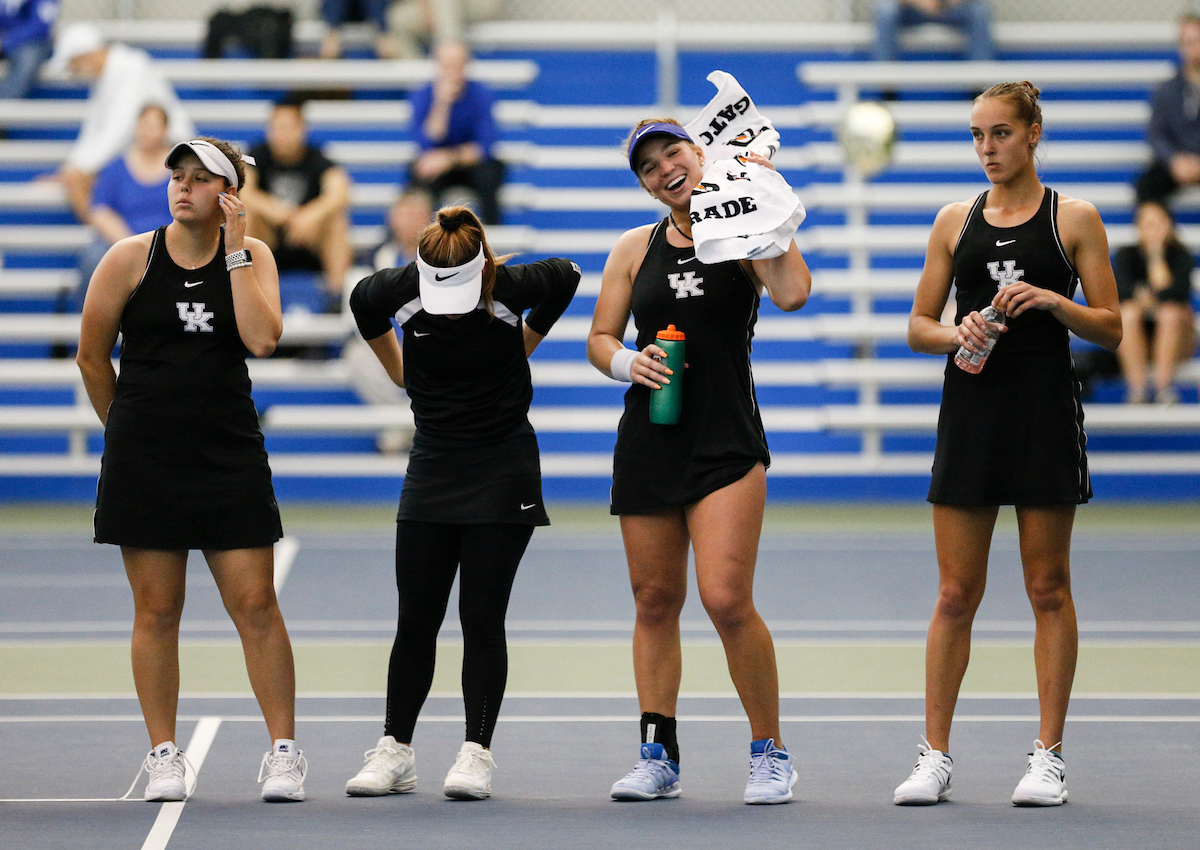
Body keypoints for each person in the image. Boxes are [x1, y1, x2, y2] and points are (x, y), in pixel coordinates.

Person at [897, 81, 1121, 807]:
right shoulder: (953, 221)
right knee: (955, 592)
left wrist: (1058, 303)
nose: (987, 149)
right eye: (977, 136)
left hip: (1044, 415)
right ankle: (933, 757)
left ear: (1032, 134)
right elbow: (918, 327)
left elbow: (1112, 325)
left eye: (1000, 133)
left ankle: (1047, 758)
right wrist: (955, 331)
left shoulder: (1074, 219)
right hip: (971, 415)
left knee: (1047, 587)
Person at [586, 119, 812, 805]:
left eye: (672, 154)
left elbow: (794, 290)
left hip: (725, 443)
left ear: (699, 154)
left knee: (724, 599)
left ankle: (769, 752)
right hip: (651, 439)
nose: (664, 170)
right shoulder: (634, 247)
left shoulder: (740, 230)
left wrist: (767, 203)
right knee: (654, 600)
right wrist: (629, 360)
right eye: (649, 167)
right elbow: (600, 336)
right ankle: (658, 754)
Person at [75, 137, 307, 803]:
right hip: (145, 458)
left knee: (256, 604)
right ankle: (164, 755)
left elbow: (262, 338)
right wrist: (124, 433)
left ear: (228, 193)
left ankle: (284, 753)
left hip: (227, 453)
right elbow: (93, 356)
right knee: (157, 609)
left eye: (200, 179)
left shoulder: (251, 255)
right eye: (177, 177)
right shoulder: (128, 258)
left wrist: (236, 246)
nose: (182, 188)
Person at [343, 205, 579, 801]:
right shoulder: (394, 289)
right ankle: (395, 750)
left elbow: (570, 275)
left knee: (481, 618)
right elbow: (361, 305)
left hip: (503, 469)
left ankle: (476, 752)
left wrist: (524, 341)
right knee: (415, 619)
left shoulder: (515, 283)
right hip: (433, 467)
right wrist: (400, 372)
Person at [46, 22, 194, 226]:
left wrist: (81, 168)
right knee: (77, 179)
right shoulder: (109, 75)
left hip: (165, 155)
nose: (74, 73)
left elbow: (120, 128)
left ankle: (108, 237)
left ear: (85, 56)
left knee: (79, 181)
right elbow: (95, 129)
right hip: (140, 153)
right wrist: (73, 168)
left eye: (73, 65)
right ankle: (109, 234)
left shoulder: (132, 67)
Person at [241, 94, 354, 305]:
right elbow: (243, 191)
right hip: (269, 236)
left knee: (336, 222)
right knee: (246, 216)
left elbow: (341, 192)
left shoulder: (316, 157)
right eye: (276, 126)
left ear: (302, 128)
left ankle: (336, 299)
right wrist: (278, 212)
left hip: (308, 237)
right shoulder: (258, 154)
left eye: (288, 127)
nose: (281, 133)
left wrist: (309, 216)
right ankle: (247, 295)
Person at [73, 104, 174, 309]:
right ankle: (92, 324)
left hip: (169, 241)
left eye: (153, 126)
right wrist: (129, 244)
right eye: (143, 125)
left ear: (165, 130)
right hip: (122, 239)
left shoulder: (178, 168)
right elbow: (100, 210)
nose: (147, 131)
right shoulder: (116, 167)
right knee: (92, 259)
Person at [407, 40, 504, 225]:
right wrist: (442, 104)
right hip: (437, 167)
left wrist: (448, 159)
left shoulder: (481, 94)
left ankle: (491, 236)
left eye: (456, 65)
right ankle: (422, 239)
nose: (451, 71)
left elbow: (484, 146)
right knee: (419, 173)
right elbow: (426, 142)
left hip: (471, 167)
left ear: (465, 65)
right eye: (446, 65)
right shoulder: (424, 95)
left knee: (489, 173)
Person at [1113, 200, 1197, 405]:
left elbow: (1178, 294)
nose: (1154, 230)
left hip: (1178, 339)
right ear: (1138, 228)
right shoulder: (1126, 255)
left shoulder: (1181, 256)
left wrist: (1156, 256)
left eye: (1159, 223)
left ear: (1170, 225)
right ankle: (1138, 391)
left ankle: (1163, 389)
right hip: (1139, 339)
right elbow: (1121, 293)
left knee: (1170, 313)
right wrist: (1154, 300)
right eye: (1148, 224)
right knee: (1129, 313)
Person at [1136, 14, 1200, 205]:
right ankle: (1159, 234)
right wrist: (1175, 161)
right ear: (1181, 47)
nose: (1194, 47)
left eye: (1198, 40)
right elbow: (1155, 134)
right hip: (1177, 165)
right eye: (1188, 42)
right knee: (1146, 185)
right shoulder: (1166, 90)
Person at [873, 0, 994, 63]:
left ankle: (981, 88)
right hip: (912, 10)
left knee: (979, 11)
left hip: (952, 9)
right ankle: (885, 87)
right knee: (885, 9)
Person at [382, 0, 500, 60]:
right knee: (399, 16)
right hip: (434, 6)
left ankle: (450, 59)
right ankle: (421, 87)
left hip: (480, 4)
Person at [0, 0, 56, 100]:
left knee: (27, 60)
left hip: (29, 42)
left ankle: (4, 103)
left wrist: (6, 42)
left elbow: (40, 25)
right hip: (4, 38)